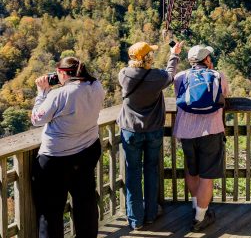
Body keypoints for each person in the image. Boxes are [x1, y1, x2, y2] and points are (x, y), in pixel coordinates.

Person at [31, 56, 106, 238]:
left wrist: (43, 92)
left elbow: (37, 119)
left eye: (58, 73)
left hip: (56, 158)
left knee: (51, 210)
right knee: (85, 202)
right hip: (87, 150)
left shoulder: (59, 94)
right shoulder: (96, 86)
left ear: (64, 74)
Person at [117, 41, 181, 230]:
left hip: (130, 130)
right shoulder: (157, 77)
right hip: (153, 129)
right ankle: (151, 214)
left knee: (133, 173)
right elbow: (170, 75)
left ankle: (135, 219)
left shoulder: (124, 75)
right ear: (148, 58)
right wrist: (174, 54)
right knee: (151, 170)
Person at [173, 44, 229, 232]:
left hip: (186, 132)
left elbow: (180, 98)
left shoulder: (180, 77)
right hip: (211, 131)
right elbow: (224, 96)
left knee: (192, 170)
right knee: (207, 177)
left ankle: (196, 206)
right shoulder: (218, 76)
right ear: (207, 60)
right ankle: (200, 218)